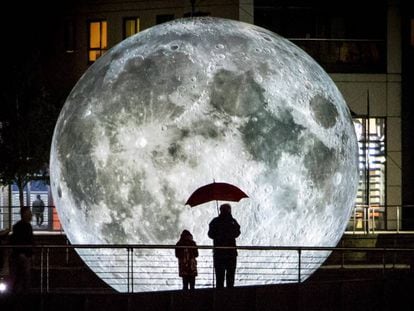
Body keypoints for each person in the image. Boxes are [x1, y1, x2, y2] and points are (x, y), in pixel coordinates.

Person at [208, 203, 240, 289]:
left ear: (220, 210)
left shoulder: (215, 221)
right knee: (230, 276)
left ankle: (219, 297)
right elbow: (237, 233)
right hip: (231, 253)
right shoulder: (232, 221)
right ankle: (230, 296)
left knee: (219, 277)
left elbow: (210, 234)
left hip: (219, 253)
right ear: (229, 210)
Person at [9, 206, 34, 293]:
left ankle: (17, 295)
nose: (31, 214)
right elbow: (19, 241)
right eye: (29, 213)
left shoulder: (23, 226)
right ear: (24, 214)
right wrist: (22, 253)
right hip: (22, 256)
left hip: (23, 255)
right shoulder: (23, 226)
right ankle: (21, 296)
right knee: (23, 277)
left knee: (20, 277)